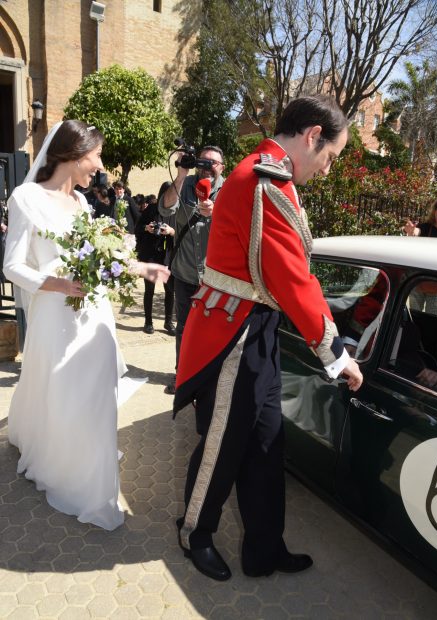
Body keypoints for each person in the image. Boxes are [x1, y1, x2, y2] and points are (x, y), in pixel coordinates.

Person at [173, 95, 363, 581]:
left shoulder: (272, 174)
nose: (326, 169)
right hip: (234, 332)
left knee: (265, 443)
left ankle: (263, 546)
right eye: (330, 157)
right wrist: (337, 356)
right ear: (312, 136)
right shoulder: (265, 180)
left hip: (255, 326)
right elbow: (293, 277)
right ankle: (194, 532)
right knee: (223, 444)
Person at [3, 120, 169, 530]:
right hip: (56, 317)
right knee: (63, 393)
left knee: (96, 393)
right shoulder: (26, 198)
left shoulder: (81, 202)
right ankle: (67, 468)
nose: (99, 165)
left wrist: (142, 267)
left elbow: (100, 256)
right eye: (95, 156)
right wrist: (59, 283)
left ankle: (94, 472)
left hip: (94, 316)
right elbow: (12, 266)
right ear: (73, 154)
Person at [158, 146, 225, 394]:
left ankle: (209, 377)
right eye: (203, 161)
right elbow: (165, 210)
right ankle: (182, 376)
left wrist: (217, 213)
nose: (207, 167)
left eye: (213, 163)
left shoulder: (228, 189)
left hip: (215, 278)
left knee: (214, 331)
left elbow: (241, 225)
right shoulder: (184, 185)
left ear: (222, 166)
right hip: (185, 273)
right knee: (184, 328)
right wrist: (181, 174)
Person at [135, 192, 176, 335]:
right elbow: (137, 228)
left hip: (168, 255)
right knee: (149, 290)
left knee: (169, 290)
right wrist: (147, 228)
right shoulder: (151, 209)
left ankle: (168, 322)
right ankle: (148, 322)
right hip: (151, 254)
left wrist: (171, 231)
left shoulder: (177, 210)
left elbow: (184, 232)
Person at [404, 198, 437, 314]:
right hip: (417, 280)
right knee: (415, 316)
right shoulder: (426, 227)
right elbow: (417, 232)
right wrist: (411, 232)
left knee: (433, 319)